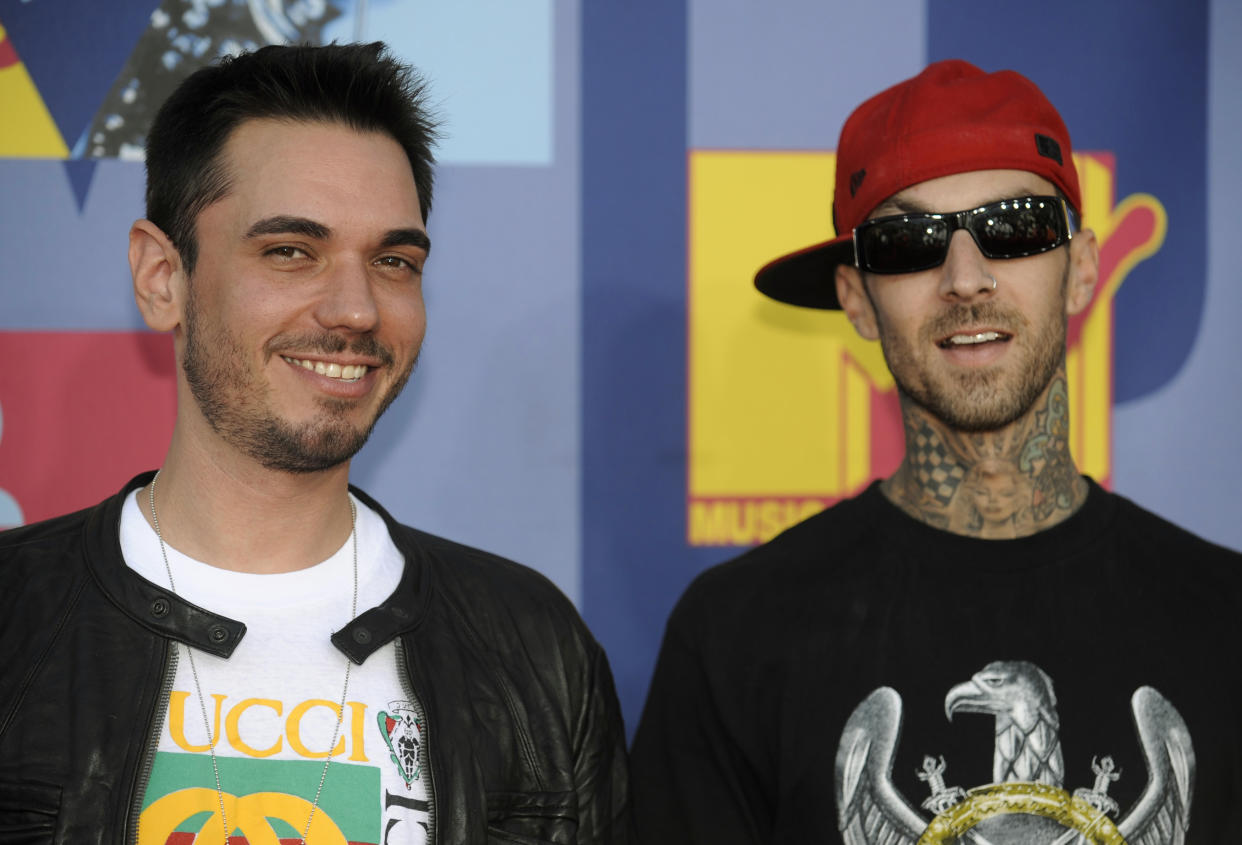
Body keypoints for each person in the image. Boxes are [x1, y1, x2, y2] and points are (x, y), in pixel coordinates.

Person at [0, 43, 631, 843]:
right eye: (291, 251)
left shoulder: (536, 652)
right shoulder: (13, 619)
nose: (358, 309)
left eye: (393, 260)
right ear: (164, 277)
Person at [630, 59, 1242, 844]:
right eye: (909, 241)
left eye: (1014, 224)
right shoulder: (734, 634)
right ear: (856, 297)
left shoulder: (1225, 621)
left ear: (1082, 267)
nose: (965, 277)